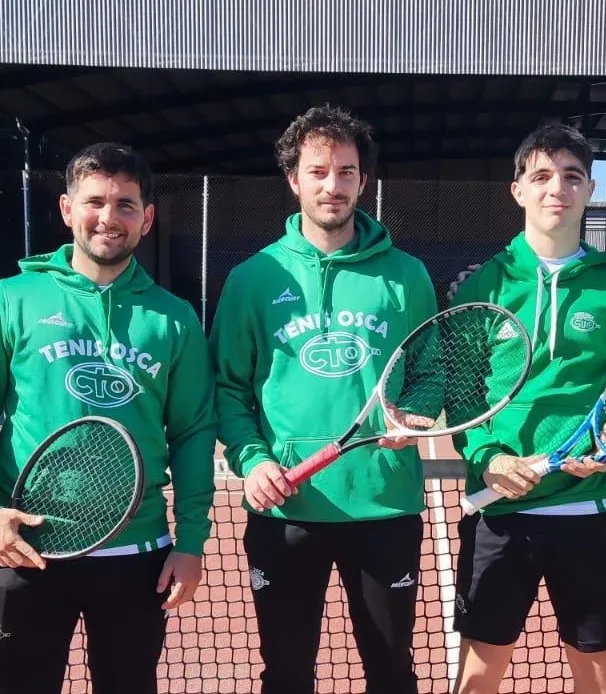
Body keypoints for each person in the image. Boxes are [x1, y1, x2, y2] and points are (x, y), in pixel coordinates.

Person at [0, 142, 217, 694]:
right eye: (94, 201)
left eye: (125, 205)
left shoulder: (174, 320)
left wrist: (191, 544)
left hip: (137, 555)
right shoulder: (9, 300)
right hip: (25, 549)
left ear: (147, 218)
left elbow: (192, 434)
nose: (108, 218)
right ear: (67, 209)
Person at [210, 105, 437, 694]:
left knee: (391, 673)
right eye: (317, 171)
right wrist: (253, 460)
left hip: (384, 505)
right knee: (286, 675)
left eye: (345, 171)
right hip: (286, 508)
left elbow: (431, 369)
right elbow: (228, 389)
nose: (331, 185)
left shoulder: (406, 276)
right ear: (293, 180)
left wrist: (412, 415)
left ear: (363, 180)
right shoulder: (252, 278)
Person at [449, 124, 606, 694]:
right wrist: (488, 459)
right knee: (477, 677)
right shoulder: (484, 285)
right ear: (518, 191)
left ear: (589, 190)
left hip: (591, 515)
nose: (555, 188)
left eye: (571, 176)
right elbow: (463, 396)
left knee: (597, 679)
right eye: (540, 176)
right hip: (501, 515)